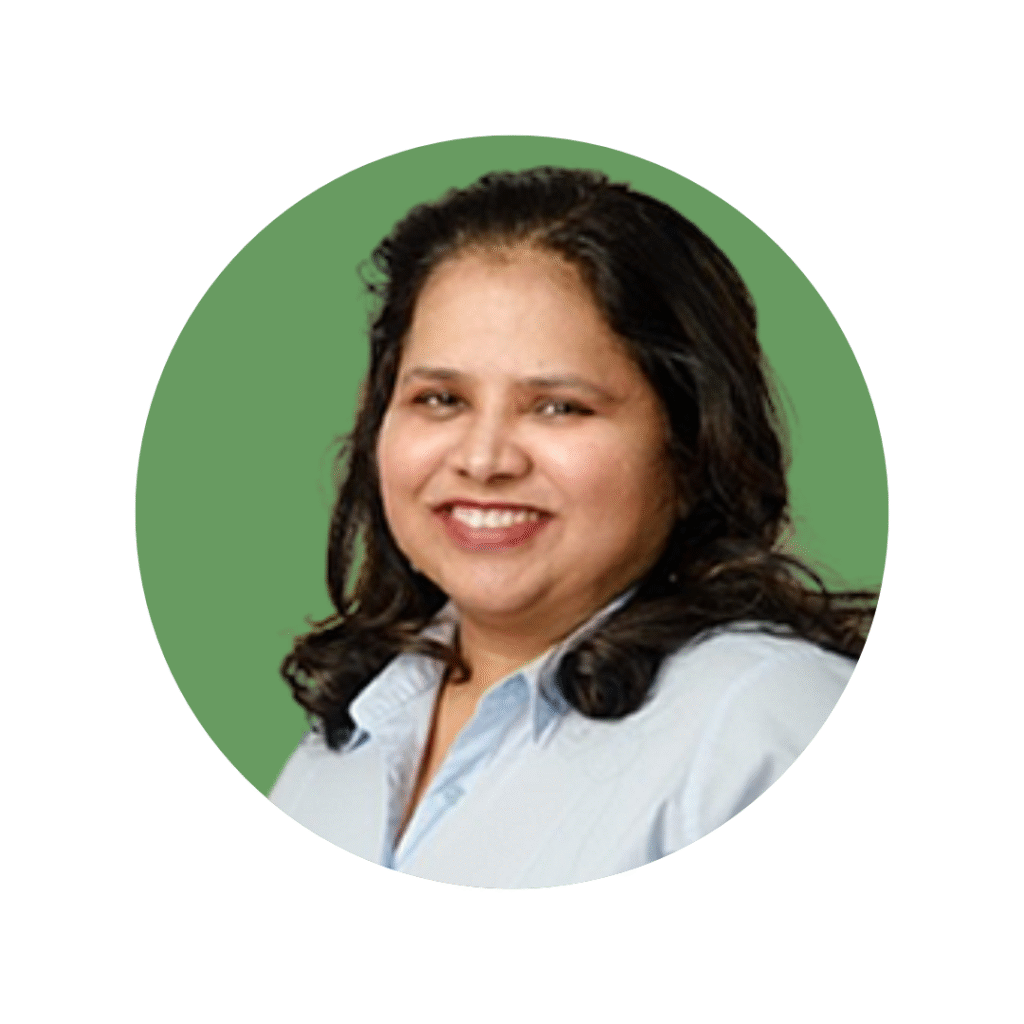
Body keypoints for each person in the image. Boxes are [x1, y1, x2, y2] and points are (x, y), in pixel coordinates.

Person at [270, 167, 876, 887]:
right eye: (439, 399)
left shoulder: (764, 722)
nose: (484, 458)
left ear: (690, 447)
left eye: (559, 407)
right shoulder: (349, 738)